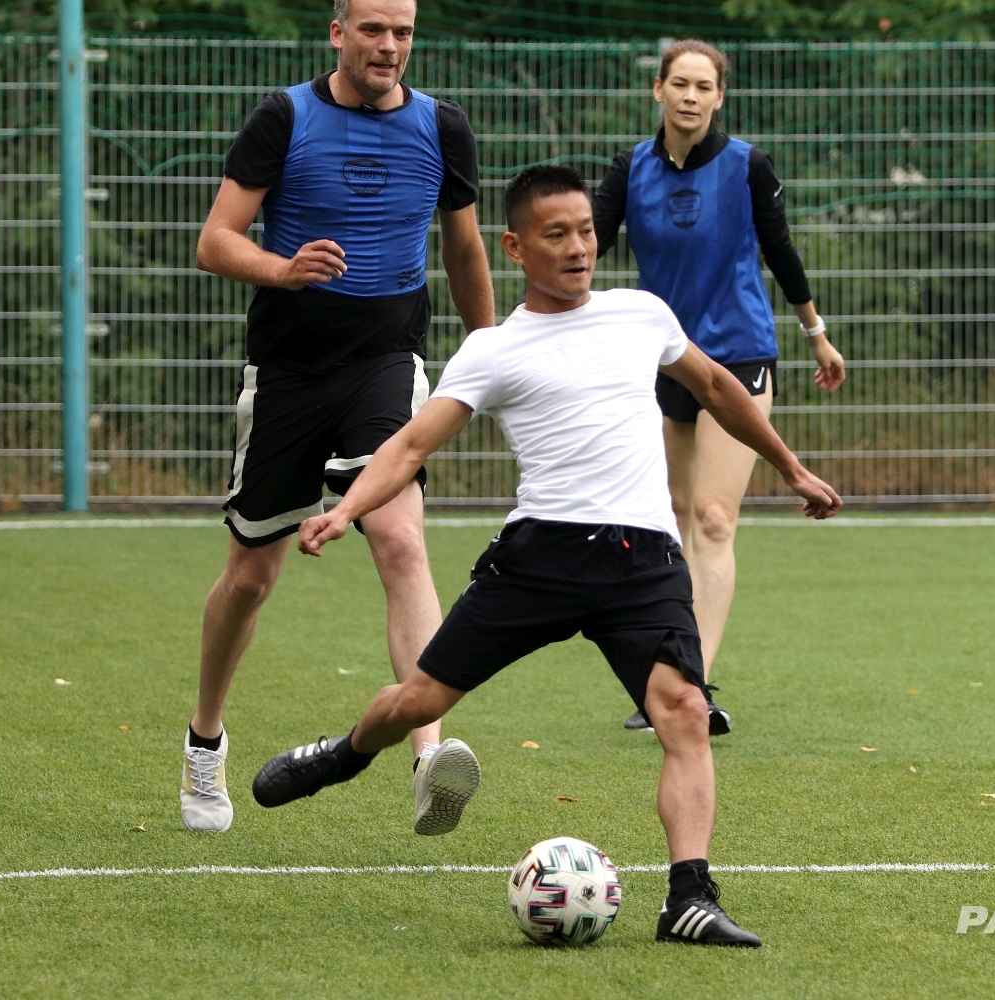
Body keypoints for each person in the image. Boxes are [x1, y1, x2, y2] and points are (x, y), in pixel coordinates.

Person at [249, 166, 841, 944]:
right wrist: (345, 509)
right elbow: (411, 444)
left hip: (641, 560)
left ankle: (688, 898)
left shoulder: (641, 314)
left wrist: (789, 466)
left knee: (685, 712)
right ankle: (346, 755)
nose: (577, 248)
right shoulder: (493, 349)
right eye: (555, 235)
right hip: (539, 560)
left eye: (586, 232)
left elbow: (716, 387)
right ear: (515, 247)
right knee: (418, 701)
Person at [182, 0, 495, 834]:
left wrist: (493, 352)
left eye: (402, 32)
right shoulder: (283, 118)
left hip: (386, 362)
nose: (389, 46)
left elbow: (463, 247)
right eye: (372, 30)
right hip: (286, 373)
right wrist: (282, 269)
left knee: (399, 537)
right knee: (250, 579)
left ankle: (429, 756)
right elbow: (215, 241)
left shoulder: (443, 127)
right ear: (338, 33)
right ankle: (205, 737)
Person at [593, 39, 846, 734]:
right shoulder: (630, 168)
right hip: (664, 359)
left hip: (737, 356)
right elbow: (585, 246)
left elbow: (780, 248)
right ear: (658, 90)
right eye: (680, 83)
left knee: (711, 517)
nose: (690, 96)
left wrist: (815, 333)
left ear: (719, 97)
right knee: (668, 520)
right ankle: (665, 677)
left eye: (704, 86)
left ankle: (690, 688)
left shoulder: (745, 165)